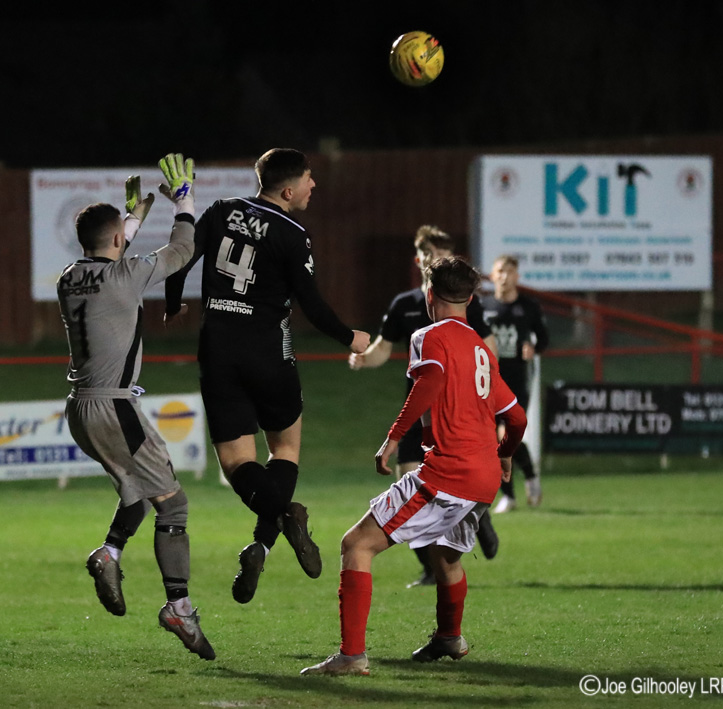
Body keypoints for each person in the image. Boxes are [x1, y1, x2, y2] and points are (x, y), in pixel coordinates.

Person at [301, 256, 527, 676]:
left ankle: (351, 656)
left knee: (356, 545)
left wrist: (391, 439)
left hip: (448, 472)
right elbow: (516, 418)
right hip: (484, 477)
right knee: (446, 556)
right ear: (472, 299)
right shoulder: (482, 348)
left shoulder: (427, 335)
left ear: (429, 296)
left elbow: (430, 383)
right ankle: (449, 638)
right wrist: (507, 453)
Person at [163, 148, 371, 605]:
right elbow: (311, 305)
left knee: (239, 464)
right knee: (286, 448)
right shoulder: (294, 233)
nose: (314, 186)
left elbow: (180, 257)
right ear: (289, 189)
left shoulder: (220, 211)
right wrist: (349, 336)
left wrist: (173, 302)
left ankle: (266, 535)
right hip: (268, 352)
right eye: (310, 180)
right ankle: (277, 525)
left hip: (218, 350)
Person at [58, 154, 214, 659]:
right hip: (114, 408)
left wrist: (130, 219)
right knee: (174, 504)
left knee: (135, 493)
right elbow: (184, 249)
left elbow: (110, 248)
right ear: (120, 240)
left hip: (80, 407)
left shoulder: (68, 276)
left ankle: (110, 551)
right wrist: (184, 197)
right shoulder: (126, 276)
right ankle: (179, 607)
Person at [348, 225, 500, 587]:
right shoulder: (406, 305)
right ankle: (434, 568)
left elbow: (488, 350)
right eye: (432, 254)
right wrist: (363, 359)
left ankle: (474, 521)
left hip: (454, 414)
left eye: (444, 254)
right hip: (419, 411)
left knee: (437, 485)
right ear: (419, 259)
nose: (438, 260)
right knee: (411, 484)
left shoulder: (463, 302)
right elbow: (384, 348)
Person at [480, 254, 549, 512]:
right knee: (493, 440)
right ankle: (518, 486)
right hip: (487, 382)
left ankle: (515, 490)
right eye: (500, 271)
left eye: (510, 271)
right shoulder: (483, 306)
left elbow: (543, 338)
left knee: (505, 436)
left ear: (517, 276)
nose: (504, 276)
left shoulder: (528, 307)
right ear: (493, 275)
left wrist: (533, 348)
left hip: (518, 380)